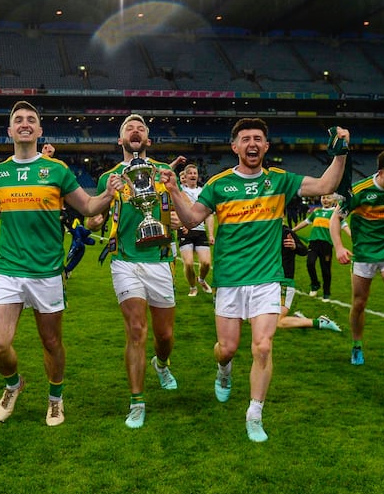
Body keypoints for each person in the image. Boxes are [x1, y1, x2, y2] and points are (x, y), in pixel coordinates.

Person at [0, 101, 123, 426]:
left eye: (31, 119)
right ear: (10, 130)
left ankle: (55, 399)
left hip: (46, 272)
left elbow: (88, 206)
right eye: (19, 119)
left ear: (39, 129)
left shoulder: (56, 170)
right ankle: (13, 384)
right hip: (7, 270)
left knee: (51, 342)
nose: (25, 123)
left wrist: (109, 195)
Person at [160, 118, 351, 442]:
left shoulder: (279, 180)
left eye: (258, 138)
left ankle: (255, 413)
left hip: (266, 279)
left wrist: (341, 153)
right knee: (228, 349)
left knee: (263, 345)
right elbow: (192, 218)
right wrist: (175, 191)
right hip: (231, 280)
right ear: (235, 146)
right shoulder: (219, 184)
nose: (252, 143)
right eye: (245, 138)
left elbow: (324, 186)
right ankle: (224, 371)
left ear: (265, 146)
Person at [84, 114, 180, 430]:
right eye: (129, 128)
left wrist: (177, 220)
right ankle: (137, 401)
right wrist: (95, 221)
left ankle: (161, 363)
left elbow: (179, 213)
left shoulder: (162, 174)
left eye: (141, 128)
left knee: (164, 336)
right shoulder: (109, 178)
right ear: (120, 139)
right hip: (125, 260)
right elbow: (91, 217)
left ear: (148, 140)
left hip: (160, 259)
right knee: (137, 330)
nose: (135, 131)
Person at [329, 148, 384, 376]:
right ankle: (357, 345)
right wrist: (339, 247)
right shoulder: (358, 191)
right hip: (364, 255)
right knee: (359, 304)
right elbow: (334, 219)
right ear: (381, 172)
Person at [278, 223, 340, 333]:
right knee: (254, 319)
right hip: (268, 281)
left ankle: (320, 322)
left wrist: (295, 246)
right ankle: (300, 320)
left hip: (284, 282)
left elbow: (304, 250)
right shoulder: (265, 233)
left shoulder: (285, 232)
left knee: (277, 321)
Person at [293, 193, 350, 302]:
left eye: (328, 198)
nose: (325, 200)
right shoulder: (316, 212)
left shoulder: (336, 213)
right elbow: (306, 222)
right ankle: (315, 284)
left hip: (326, 244)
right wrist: (293, 230)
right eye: (323, 197)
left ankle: (326, 293)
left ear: (333, 200)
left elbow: (344, 226)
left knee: (326, 270)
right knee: (310, 263)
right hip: (313, 243)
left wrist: (352, 237)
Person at [177, 163, 214, 297]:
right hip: (185, 230)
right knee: (188, 263)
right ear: (184, 177)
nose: (193, 175)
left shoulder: (203, 191)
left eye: (195, 173)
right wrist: (182, 225)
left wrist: (210, 234)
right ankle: (193, 287)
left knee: (206, 263)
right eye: (190, 173)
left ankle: (201, 279)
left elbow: (209, 215)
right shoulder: (180, 191)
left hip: (200, 231)